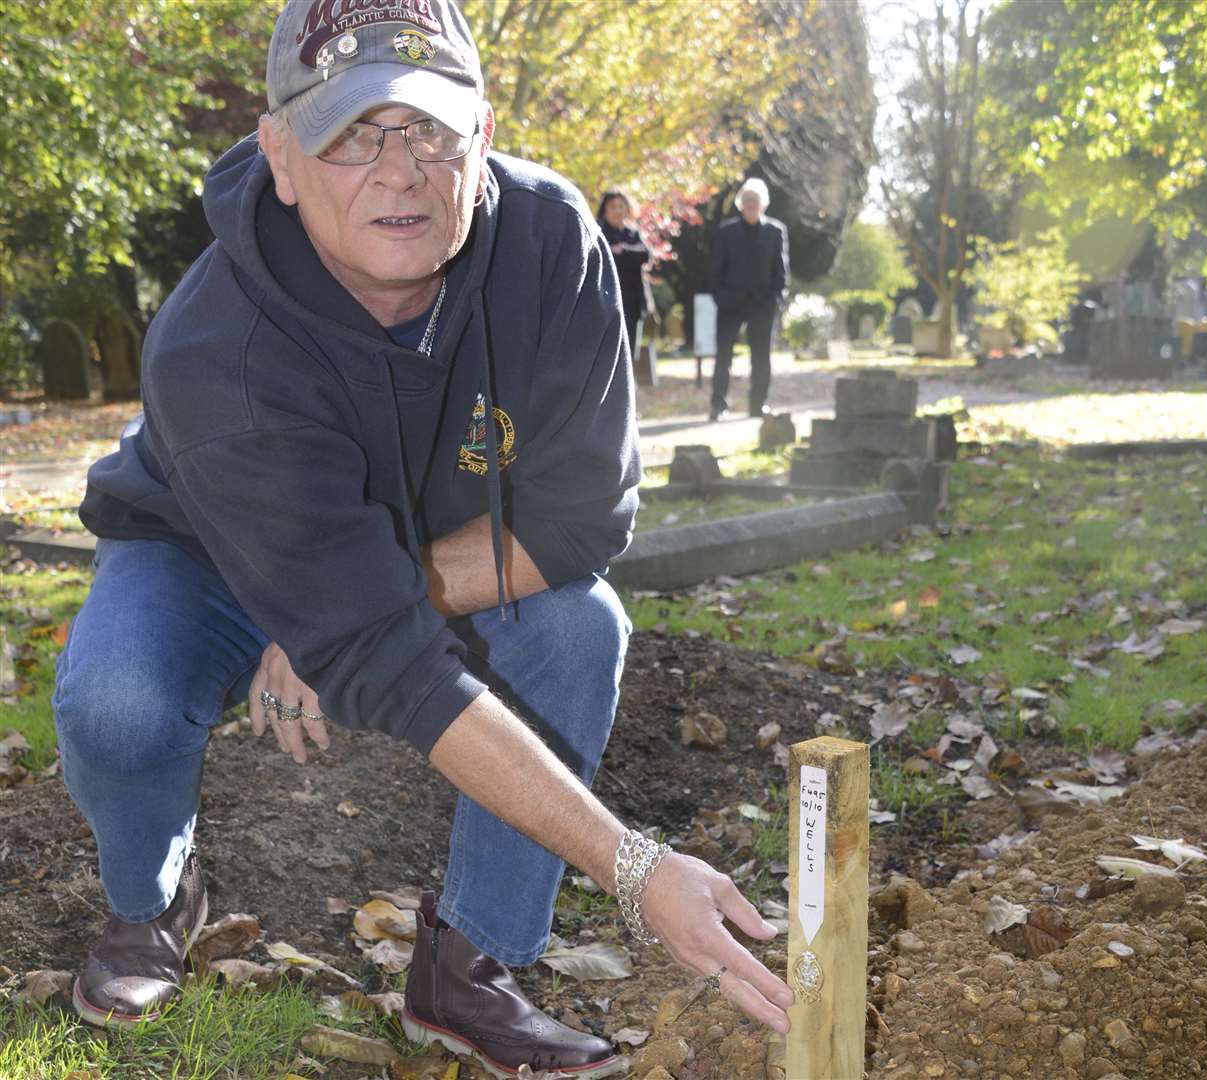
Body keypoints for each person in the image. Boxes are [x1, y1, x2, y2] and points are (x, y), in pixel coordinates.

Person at [51, 1, 793, 1074]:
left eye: (430, 131)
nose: (398, 171)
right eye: (352, 134)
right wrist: (633, 867)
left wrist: (368, 608)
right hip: (202, 547)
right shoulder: (217, 345)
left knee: (578, 625)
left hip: (411, 554)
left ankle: (470, 967)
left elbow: (584, 518)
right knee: (115, 696)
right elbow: (383, 659)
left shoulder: (553, 247)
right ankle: (150, 900)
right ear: (281, 154)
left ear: (482, 136)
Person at [709, 177, 789, 420]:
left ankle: (758, 405)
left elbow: (781, 270)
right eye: (747, 200)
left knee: (761, 359)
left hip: (763, 304)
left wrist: (777, 299)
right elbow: (714, 270)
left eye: (755, 200)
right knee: (723, 357)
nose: (751, 204)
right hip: (730, 303)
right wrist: (720, 297)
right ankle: (718, 405)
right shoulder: (726, 232)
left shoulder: (776, 231)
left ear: (763, 204)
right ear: (740, 204)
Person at [597, 190, 652, 360]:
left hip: (633, 300)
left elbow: (645, 255)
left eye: (621, 206)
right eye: (613, 207)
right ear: (604, 209)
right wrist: (624, 256)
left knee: (629, 349)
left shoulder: (633, 233)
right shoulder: (598, 232)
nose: (617, 211)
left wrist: (622, 251)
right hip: (605, 300)